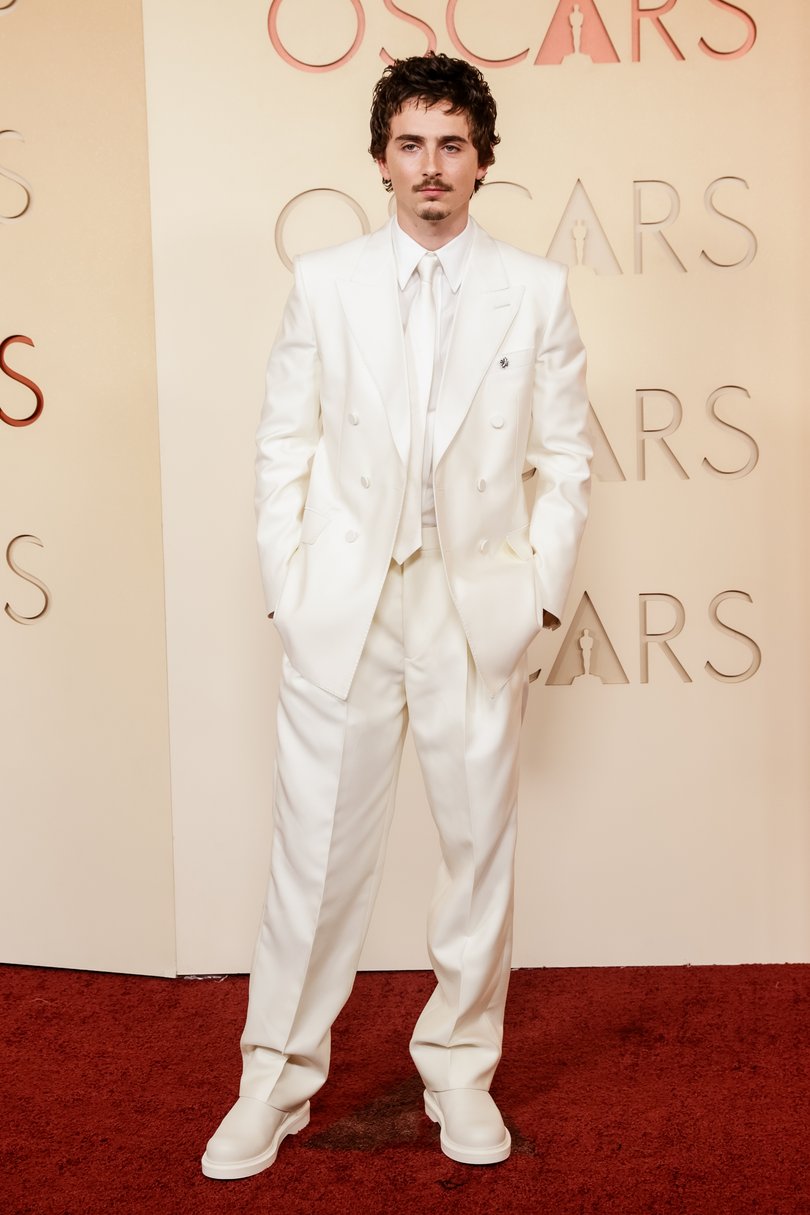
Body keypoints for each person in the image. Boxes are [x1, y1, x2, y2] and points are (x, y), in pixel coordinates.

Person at [202, 51, 591, 1180]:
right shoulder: (325, 284)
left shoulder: (537, 290)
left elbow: (567, 463)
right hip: (348, 606)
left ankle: (460, 1074)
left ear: (482, 162)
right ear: (381, 158)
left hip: (475, 611)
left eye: (453, 145)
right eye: (412, 143)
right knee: (311, 861)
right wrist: (292, 585)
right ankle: (270, 1084)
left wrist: (532, 598)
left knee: (478, 852)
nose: (432, 166)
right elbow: (285, 444)